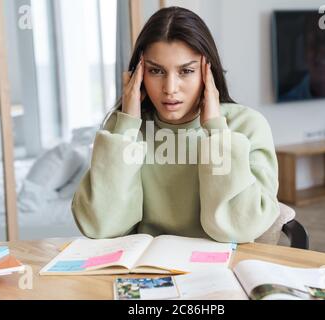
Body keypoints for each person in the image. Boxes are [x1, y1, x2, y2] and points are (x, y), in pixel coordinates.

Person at [71, 6, 280, 243]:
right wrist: (127, 124)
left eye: (186, 71)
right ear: (139, 74)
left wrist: (216, 131)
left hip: (219, 270)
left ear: (207, 72)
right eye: (156, 71)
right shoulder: (123, 129)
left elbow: (239, 228)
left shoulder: (246, 126)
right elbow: (100, 225)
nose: (170, 88)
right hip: (145, 271)